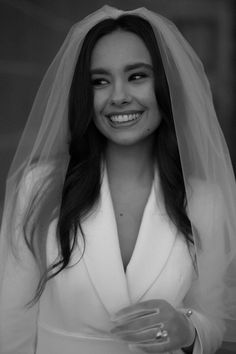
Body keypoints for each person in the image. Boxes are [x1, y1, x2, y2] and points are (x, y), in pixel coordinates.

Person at [0, 5, 236, 354]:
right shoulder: (40, 188)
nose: (118, 96)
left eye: (137, 76)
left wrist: (189, 329)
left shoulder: (206, 201)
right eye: (100, 81)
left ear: (164, 85)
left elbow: (215, 318)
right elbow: (10, 325)